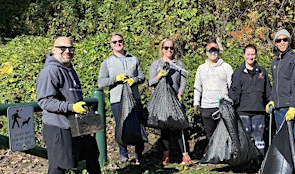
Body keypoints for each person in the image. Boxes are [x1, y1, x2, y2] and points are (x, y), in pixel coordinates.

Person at [36, 36, 105, 174]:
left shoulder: (69, 68)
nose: (68, 51)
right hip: (59, 126)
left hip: (79, 123)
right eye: (62, 48)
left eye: (71, 48)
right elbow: (44, 101)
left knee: (93, 155)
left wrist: (79, 110)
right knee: (58, 168)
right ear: (54, 49)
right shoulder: (50, 71)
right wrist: (71, 107)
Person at [98, 33, 146, 164]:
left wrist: (134, 80)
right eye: (115, 42)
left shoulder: (134, 59)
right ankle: (123, 155)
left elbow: (142, 77)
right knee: (121, 126)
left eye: (120, 41)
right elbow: (101, 82)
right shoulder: (107, 62)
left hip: (134, 98)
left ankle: (139, 155)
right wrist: (115, 79)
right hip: (117, 99)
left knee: (138, 125)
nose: (118, 43)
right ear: (111, 45)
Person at [265, 29, 295, 166]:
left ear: (289, 41)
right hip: (278, 108)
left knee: (292, 141)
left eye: (285, 39)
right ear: (275, 43)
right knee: (282, 142)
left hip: (290, 108)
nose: (282, 42)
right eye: (278, 40)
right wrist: (271, 99)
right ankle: (284, 173)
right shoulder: (275, 62)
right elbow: (275, 85)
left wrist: (293, 107)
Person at [148, 38, 192, 166]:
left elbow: (183, 81)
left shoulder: (179, 64)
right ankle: (165, 156)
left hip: (175, 99)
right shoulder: (156, 64)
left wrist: (180, 93)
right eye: (166, 48)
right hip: (162, 101)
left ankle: (185, 156)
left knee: (179, 127)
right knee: (164, 129)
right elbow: (151, 82)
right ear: (162, 49)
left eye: (171, 48)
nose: (169, 50)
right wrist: (159, 76)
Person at [228, 44, 271, 155]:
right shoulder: (238, 73)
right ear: (244, 55)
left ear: (256, 55)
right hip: (243, 111)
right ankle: (246, 162)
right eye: (248, 54)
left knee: (259, 138)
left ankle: (260, 162)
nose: (250, 57)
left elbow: (268, 90)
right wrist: (232, 101)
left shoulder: (262, 72)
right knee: (245, 138)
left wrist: (270, 102)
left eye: (252, 54)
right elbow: (233, 91)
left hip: (259, 111)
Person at [193, 41, 234, 140]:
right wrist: (196, 103)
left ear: (218, 52)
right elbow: (198, 87)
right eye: (210, 51)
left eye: (215, 50)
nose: (213, 53)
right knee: (210, 135)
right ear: (206, 53)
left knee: (224, 135)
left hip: (222, 107)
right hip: (206, 107)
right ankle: (212, 155)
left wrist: (230, 102)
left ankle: (224, 155)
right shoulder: (201, 68)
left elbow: (232, 86)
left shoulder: (226, 67)